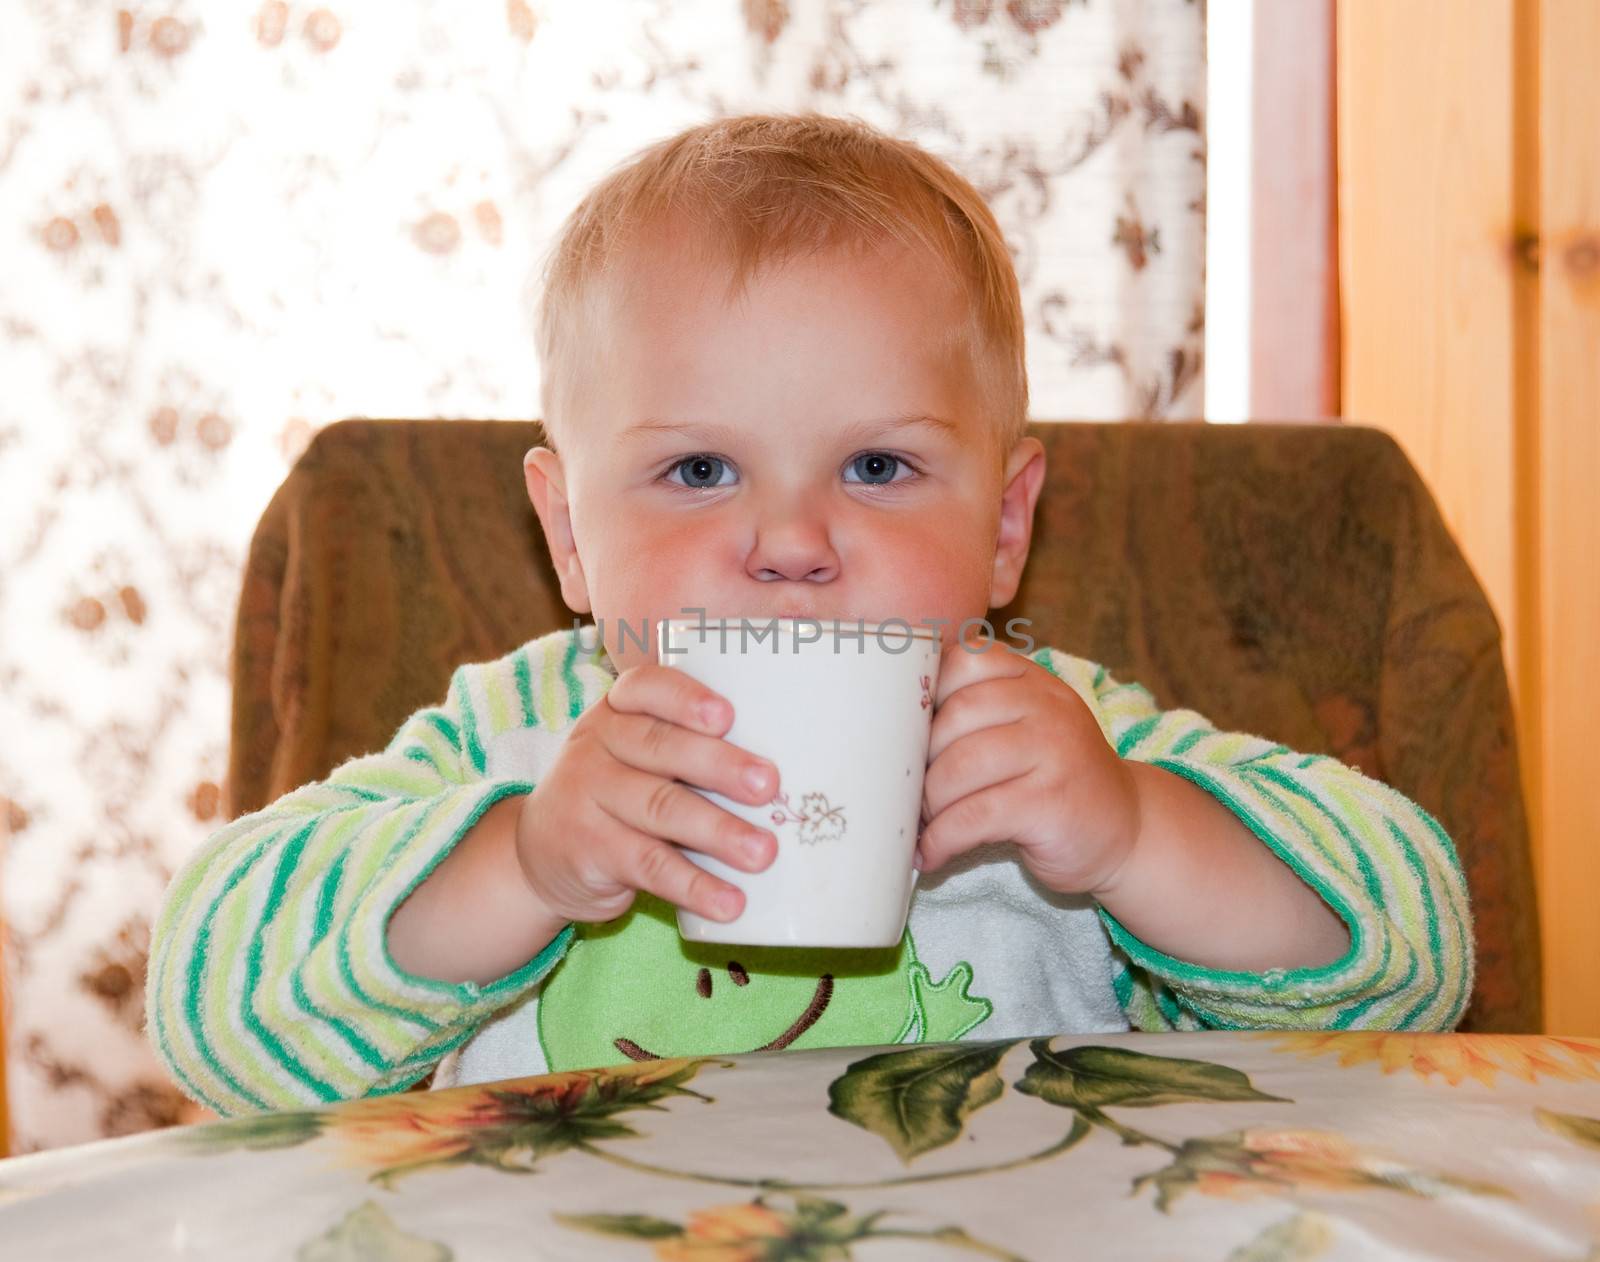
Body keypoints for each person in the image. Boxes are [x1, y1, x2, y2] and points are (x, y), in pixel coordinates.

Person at [146, 113, 1472, 1116]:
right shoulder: (518, 734)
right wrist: (522, 865)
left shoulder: (1059, 742)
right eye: (698, 470)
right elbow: (206, 999)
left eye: (878, 467)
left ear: (1006, 525)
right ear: (567, 533)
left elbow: (1419, 957)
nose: (789, 543)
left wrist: (1130, 832)